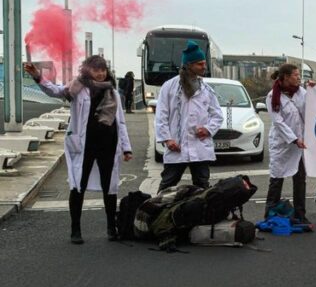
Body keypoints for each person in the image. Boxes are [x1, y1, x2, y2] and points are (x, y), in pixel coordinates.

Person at [26, 57, 132, 243]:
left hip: (108, 145)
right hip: (84, 145)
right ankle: (75, 229)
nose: (100, 74)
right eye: (96, 70)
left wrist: (126, 148)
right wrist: (38, 77)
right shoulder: (77, 88)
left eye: (103, 70)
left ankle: (111, 227)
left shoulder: (113, 92)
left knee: (110, 187)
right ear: (87, 70)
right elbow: (55, 91)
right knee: (78, 186)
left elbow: (120, 122)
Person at [155, 40, 222, 191]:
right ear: (189, 65)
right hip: (177, 146)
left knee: (202, 187)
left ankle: (200, 208)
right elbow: (161, 115)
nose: (204, 67)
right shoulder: (169, 87)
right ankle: (156, 207)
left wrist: (208, 129)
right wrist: (167, 139)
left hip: (200, 147)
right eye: (200, 64)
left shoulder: (206, 90)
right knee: (167, 185)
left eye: (204, 63)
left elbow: (217, 115)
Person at [265, 63, 310, 223]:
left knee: (300, 179)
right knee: (277, 178)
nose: (299, 78)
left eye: (299, 75)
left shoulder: (302, 93)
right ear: (285, 77)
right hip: (282, 144)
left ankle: (300, 214)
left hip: (300, 144)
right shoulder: (272, 96)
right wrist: (294, 139)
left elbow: (311, 110)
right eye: (296, 75)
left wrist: (315, 91)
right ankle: (270, 213)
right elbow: (278, 121)